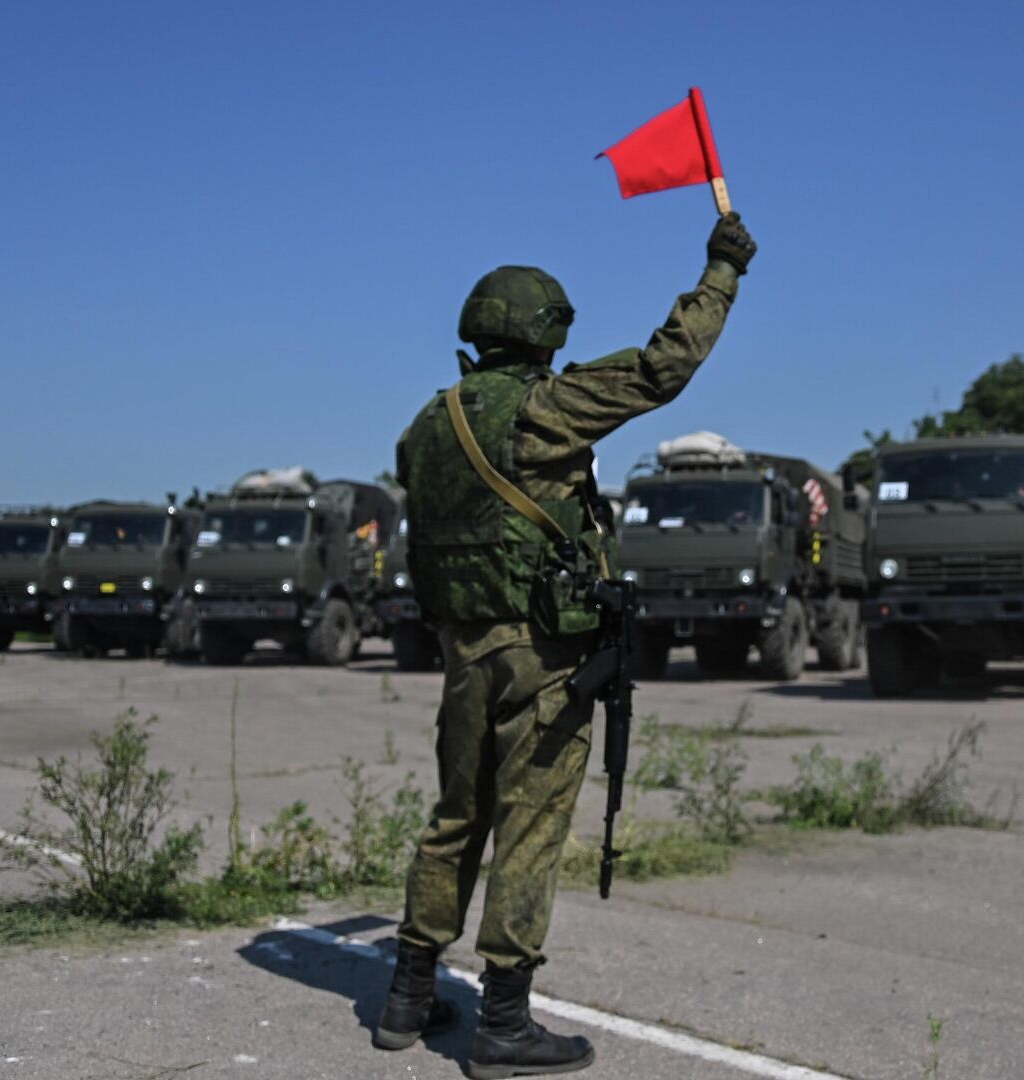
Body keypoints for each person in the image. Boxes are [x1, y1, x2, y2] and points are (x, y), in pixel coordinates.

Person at [375, 213, 755, 1079]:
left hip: (461, 650)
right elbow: (664, 368)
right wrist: (721, 271)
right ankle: (503, 1025)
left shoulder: (426, 425)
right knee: (531, 829)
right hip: (541, 655)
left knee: (454, 818)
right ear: (546, 334)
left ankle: (405, 997)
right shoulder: (548, 408)